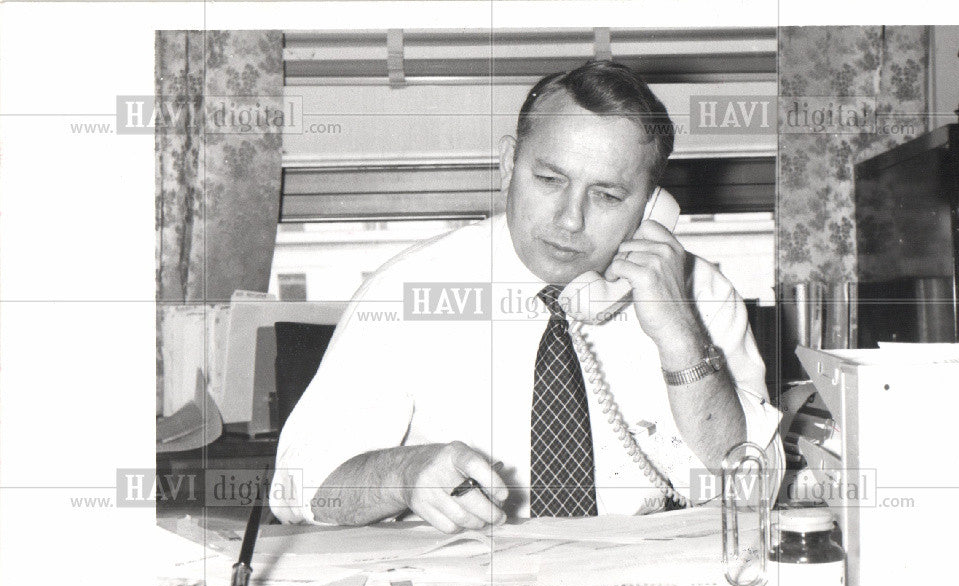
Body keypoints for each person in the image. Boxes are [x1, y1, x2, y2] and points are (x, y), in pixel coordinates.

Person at [271, 60, 782, 532]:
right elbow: (298, 489)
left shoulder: (702, 296)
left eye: (606, 195)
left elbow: (757, 487)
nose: (569, 219)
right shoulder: (405, 292)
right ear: (508, 163)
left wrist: (681, 338)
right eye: (548, 179)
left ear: (651, 207)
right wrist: (402, 474)